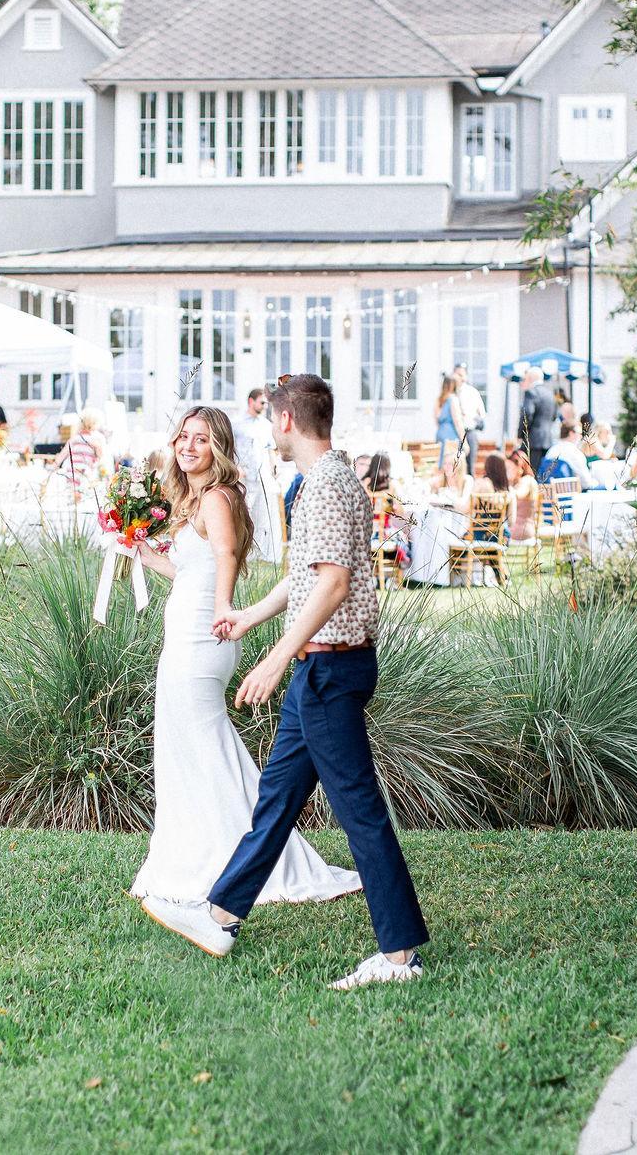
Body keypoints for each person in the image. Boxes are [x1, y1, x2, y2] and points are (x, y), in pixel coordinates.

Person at [140, 374, 430, 991]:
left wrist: (275, 659)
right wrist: (251, 616)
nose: (270, 429)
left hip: (329, 666)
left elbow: (332, 584)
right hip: (319, 667)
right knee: (274, 801)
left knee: (360, 814)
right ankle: (220, 915)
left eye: (272, 418)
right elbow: (304, 577)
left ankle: (399, 955)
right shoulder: (331, 478)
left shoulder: (324, 486)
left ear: (288, 421)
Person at [129, 405, 361, 912]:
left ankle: (230, 861)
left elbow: (226, 558)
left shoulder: (216, 496)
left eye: (201, 439)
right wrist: (143, 554)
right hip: (187, 631)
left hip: (203, 636)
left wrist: (222, 609)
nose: (188, 446)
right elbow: (192, 572)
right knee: (190, 746)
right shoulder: (197, 499)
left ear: (218, 447)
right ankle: (204, 852)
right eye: (183, 437)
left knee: (205, 747)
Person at [516, 369, 559, 475]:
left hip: (532, 440)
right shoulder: (550, 394)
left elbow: (527, 415)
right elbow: (554, 416)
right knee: (543, 473)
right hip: (548, 440)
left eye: (525, 379)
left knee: (529, 473)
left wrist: (520, 435)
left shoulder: (531, 393)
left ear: (530, 378)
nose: (523, 381)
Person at [451, 364, 487, 472]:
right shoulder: (450, 392)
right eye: (457, 374)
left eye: (461, 375)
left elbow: (481, 414)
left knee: (469, 466)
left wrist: (470, 417)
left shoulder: (472, 392)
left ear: (466, 376)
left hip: (469, 432)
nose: (459, 377)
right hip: (453, 434)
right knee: (454, 467)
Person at [53, 411, 105, 482]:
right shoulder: (95, 441)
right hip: (86, 473)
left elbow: (62, 455)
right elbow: (100, 457)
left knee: (71, 488)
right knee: (85, 487)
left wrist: (53, 467)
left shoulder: (74, 439)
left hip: (71, 472)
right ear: (94, 424)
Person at [238, 387, 275, 474]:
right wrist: (236, 468)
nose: (265, 406)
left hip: (263, 477)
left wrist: (274, 468)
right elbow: (228, 449)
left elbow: (271, 449)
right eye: (262, 403)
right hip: (243, 477)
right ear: (251, 401)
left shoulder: (267, 425)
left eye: (266, 403)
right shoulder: (236, 423)